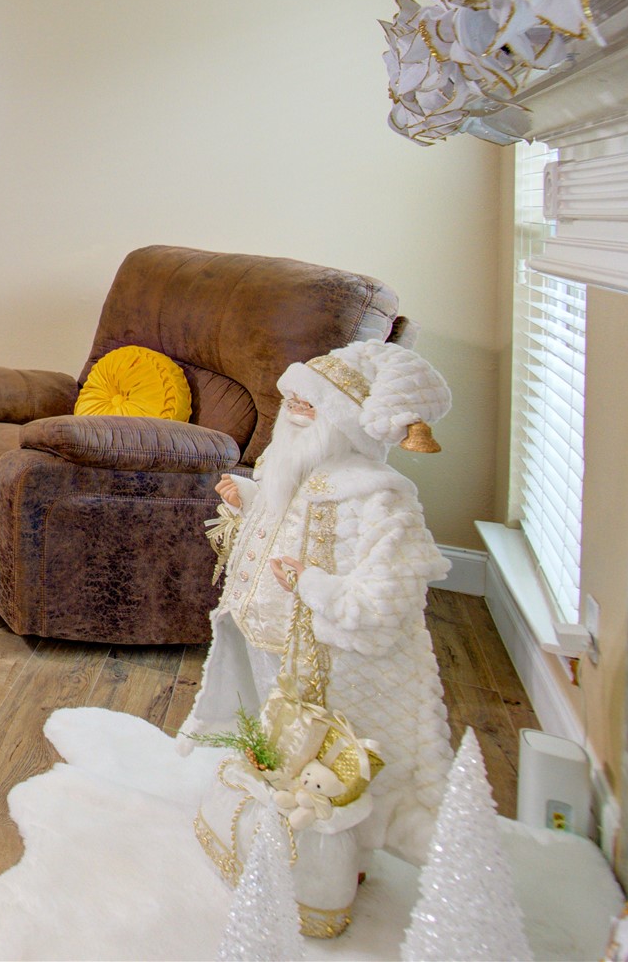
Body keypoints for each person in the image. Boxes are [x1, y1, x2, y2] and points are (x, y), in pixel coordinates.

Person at [179, 340, 455, 864]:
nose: (296, 414)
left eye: (311, 406)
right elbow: (290, 525)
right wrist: (250, 499)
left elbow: (387, 593)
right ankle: (261, 810)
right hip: (260, 631)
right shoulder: (292, 471)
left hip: (316, 650)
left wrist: (313, 586)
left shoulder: (377, 495)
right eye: (293, 403)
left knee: (314, 749)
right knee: (266, 726)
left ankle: (314, 851)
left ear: (344, 421)